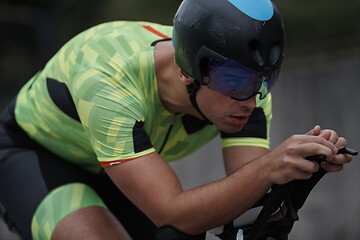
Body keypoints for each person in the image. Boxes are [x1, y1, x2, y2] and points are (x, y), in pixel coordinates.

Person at [0, 0, 353, 239]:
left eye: (265, 78)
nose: (252, 98)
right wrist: (269, 169)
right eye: (235, 80)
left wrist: (294, 175)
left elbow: (247, 200)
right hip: (36, 155)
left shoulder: (246, 90)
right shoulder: (108, 82)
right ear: (187, 73)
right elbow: (172, 212)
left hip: (113, 165)